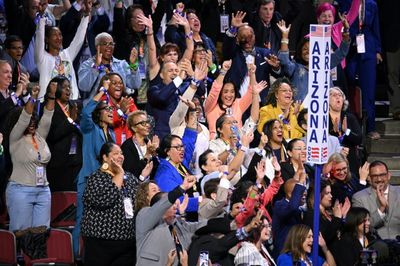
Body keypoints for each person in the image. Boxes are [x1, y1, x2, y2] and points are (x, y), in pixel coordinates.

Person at [72, 79, 115, 256]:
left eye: (112, 109)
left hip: (105, 182)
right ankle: (74, 255)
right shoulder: (90, 129)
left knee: (101, 220)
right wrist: (103, 90)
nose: (111, 111)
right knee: (83, 219)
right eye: (107, 109)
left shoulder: (110, 134)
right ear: (99, 113)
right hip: (89, 180)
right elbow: (86, 112)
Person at [5, 81, 55, 231]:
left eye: (34, 119)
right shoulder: (15, 138)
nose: (31, 122)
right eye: (29, 120)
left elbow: (47, 117)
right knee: (22, 234)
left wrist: (51, 95)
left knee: (41, 234)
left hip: (43, 191)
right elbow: (24, 118)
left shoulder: (40, 137)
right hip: (21, 190)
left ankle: (38, 256)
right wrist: (32, 98)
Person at [81, 142, 141, 266]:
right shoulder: (96, 178)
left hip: (127, 242)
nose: (120, 156)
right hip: (100, 243)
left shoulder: (129, 177)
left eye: (121, 153)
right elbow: (106, 199)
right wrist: (119, 174)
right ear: (105, 157)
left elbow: (139, 200)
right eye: (116, 153)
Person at [135, 175, 204, 266]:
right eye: (154, 190)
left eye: (159, 190)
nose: (159, 192)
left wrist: (181, 214)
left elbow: (186, 230)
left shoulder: (170, 218)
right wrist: (182, 187)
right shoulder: (143, 215)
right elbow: (162, 205)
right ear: (145, 196)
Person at [276, 18, 350, 102]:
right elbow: (284, 60)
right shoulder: (295, 67)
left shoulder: (325, 64)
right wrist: (285, 37)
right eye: (304, 49)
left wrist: (346, 31)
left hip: (325, 110)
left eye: (311, 49)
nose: (307, 51)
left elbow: (342, 52)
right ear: (300, 53)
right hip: (300, 111)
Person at [340, 0, 382, 140]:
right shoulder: (346, 2)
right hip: (350, 46)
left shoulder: (372, 4)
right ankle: (351, 124)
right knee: (349, 83)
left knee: (369, 89)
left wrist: (377, 50)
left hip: (368, 46)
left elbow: (376, 27)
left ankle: (370, 127)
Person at [154, 109, 199, 218]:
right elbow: (175, 200)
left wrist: (192, 111)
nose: (182, 150)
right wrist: (201, 202)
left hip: (193, 212)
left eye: (181, 146)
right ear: (167, 151)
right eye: (177, 147)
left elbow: (189, 139)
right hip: (179, 217)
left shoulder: (180, 163)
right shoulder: (164, 173)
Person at [204, 61, 267, 139]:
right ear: (220, 94)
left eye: (232, 91)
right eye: (225, 91)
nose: (229, 95)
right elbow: (215, 90)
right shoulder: (210, 107)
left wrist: (252, 74)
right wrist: (223, 71)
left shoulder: (237, 104)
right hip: (218, 147)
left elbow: (252, 91)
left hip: (237, 145)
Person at [34, 14, 89, 100]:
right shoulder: (42, 58)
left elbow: (79, 38)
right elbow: (39, 39)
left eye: (60, 34)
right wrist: (41, 20)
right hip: (49, 104)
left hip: (71, 102)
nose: (58, 38)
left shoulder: (66, 54)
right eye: (54, 35)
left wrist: (85, 17)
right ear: (47, 39)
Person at [78, 32, 141, 104]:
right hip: (95, 109)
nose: (109, 47)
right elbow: (84, 87)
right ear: (97, 47)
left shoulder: (122, 64)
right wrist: (96, 67)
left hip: (118, 109)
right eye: (105, 44)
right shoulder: (87, 65)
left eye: (111, 44)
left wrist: (133, 65)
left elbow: (135, 84)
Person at [45, 76, 82, 192]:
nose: (68, 90)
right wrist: (70, 120)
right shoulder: (48, 107)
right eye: (64, 87)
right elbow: (51, 135)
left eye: (69, 87)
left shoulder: (76, 106)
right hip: (58, 163)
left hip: (76, 160)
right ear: (55, 89)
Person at [352, 160, 400, 240]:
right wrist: (381, 209)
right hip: (374, 245)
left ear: (388, 175)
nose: (379, 179)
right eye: (374, 176)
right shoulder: (359, 198)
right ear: (369, 178)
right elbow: (361, 227)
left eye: (382, 175)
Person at [303, 180, 350, 250]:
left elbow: (338, 233)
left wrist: (342, 217)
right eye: (327, 193)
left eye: (330, 193)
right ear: (318, 195)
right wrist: (337, 218)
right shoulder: (312, 215)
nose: (331, 196)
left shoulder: (329, 212)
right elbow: (325, 237)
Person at [328, 87, 362, 176]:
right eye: (334, 95)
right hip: (331, 157)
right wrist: (333, 132)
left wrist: (346, 132)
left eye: (340, 95)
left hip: (349, 158)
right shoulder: (324, 118)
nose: (338, 97)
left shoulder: (350, 117)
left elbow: (359, 139)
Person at [98, 73, 138, 145]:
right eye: (114, 83)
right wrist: (121, 111)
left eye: (120, 83)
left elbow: (137, 120)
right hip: (111, 142)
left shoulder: (127, 101)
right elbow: (109, 122)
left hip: (129, 141)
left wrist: (130, 116)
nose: (118, 85)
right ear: (107, 86)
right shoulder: (103, 102)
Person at [272, 177, 307, 258]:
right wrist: (300, 183)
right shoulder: (280, 205)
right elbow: (292, 208)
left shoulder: (299, 209)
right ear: (290, 194)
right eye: (301, 193)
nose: (304, 194)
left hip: (296, 253)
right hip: (283, 254)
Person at [121, 110, 158, 180]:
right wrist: (147, 154)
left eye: (147, 122)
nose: (148, 125)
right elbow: (131, 173)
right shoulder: (127, 146)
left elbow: (156, 170)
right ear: (134, 128)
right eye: (143, 123)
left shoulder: (149, 143)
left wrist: (154, 155)